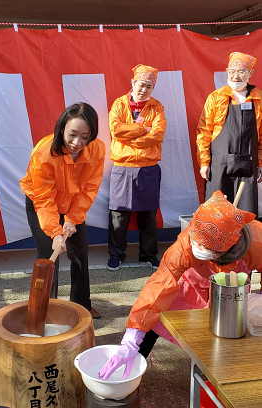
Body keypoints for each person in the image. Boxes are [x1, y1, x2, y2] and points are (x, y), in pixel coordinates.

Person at [99, 190, 262, 379]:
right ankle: (133, 358)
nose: (196, 249)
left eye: (204, 248)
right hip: (193, 280)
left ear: (222, 251)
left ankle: (213, 377)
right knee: (157, 312)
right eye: (196, 243)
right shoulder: (189, 242)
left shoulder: (257, 244)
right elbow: (160, 285)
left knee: (225, 331)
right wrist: (131, 338)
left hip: (230, 290)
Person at [20, 102, 105, 319]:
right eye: (72, 135)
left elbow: (89, 189)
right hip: (42, 204)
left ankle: (82, 306)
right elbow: (44, 199)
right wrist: (55, 232)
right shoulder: (44, 153)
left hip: (73, 204)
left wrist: (72, 219)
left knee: (80, 253)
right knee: (50, 256)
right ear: (62, 129)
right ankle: (45, 312)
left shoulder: (98, 149)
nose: (78, 143)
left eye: (85, 136)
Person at [107, 64, 166, 271]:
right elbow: (115, 129)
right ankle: (116, 255)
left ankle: (149, 255)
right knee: (118, 215)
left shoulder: (157, 107)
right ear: (133, 83)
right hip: (122, 166)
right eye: (141, 85)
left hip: (148, 167)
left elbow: (158, 135)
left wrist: (130, 139)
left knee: (148, 215)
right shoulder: (119, 104)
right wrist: (142, 129)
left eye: (149, 87)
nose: (144, 90)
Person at [196, 52, 262, 216]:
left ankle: (244, 242)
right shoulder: (216, 97)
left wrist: (260, 163)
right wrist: (204, 162)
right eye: (232, 71)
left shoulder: (258, 98)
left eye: (241, 72)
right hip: (220, 163)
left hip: (249, 164)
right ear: (227, 71)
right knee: (218, 210)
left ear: (250, 74)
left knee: (245, 213)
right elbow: (204, 131)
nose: (236, 76)